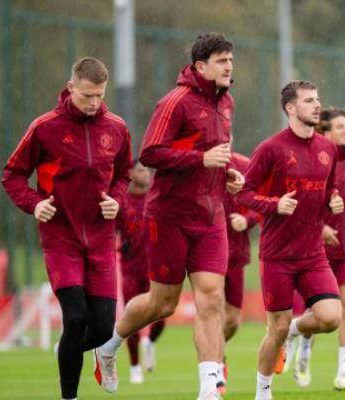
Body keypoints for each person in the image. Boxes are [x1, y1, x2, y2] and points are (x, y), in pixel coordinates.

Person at [95, 33, 243, 400]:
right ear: (200, 66)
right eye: (221, 60)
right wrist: (201, 160)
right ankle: (109, 346)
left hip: (211, 218)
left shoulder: (227, 104)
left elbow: (219, 153)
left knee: (211, 298)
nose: (228, 66)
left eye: (230, 59)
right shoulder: (175, 102)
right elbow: (150, 153)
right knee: (163, 303)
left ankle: (209, 388)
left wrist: (227, 175)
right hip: (169, 217)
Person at [2, 57, 133, 400]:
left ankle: (84, 352)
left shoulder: (117, 127)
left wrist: (117, 200)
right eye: (87, 95)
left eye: (100, 96)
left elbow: (124, 175)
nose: (94, 103)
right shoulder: (45, 127)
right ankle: (69, 396)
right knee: (75, 319)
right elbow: (12, 175)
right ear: (71, 87)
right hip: (61, 239)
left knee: (103, 328)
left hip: (102, 239)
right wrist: (35, 203)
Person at [237, 80, 344, 400]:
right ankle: (263, 392)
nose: (316, 105)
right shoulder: (271, 148)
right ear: (290, 108)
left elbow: (330, 189)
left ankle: (295, 331)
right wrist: (274, 205)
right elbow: (244, 192)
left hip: (313, 255)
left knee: (331, 318)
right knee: (276, 329)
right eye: (309, 100)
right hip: (277, 256)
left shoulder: (328, 149)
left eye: (318, 99)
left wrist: (334, 200)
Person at [289, 106, 345, 391]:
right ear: (324, 132)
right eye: (339, 126)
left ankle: (343, 373)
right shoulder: (315, 160)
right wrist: (320, 228)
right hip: (317, 249)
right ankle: (302, 344)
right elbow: (300, 203)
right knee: (314, 310)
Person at [116, 160, 165, 384]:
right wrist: (118, 245)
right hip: (130, 268)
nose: (145, 173)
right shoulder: (123, 201)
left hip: (156, 266)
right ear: (131, 173)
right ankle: (135, 366)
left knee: (163, 314)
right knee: (132, 317)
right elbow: (110, 230)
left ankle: (150, 343)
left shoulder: (157, 196)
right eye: (140, 169)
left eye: (147, 169)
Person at [219, 151, 260, 394]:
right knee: (211, 310)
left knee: (232, 319)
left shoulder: (245, 165)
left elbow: (262, 201)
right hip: (205, 254)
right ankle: (213, 366)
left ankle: (214, 349)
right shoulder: (199, 166)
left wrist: (247, 220)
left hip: (235, 253)